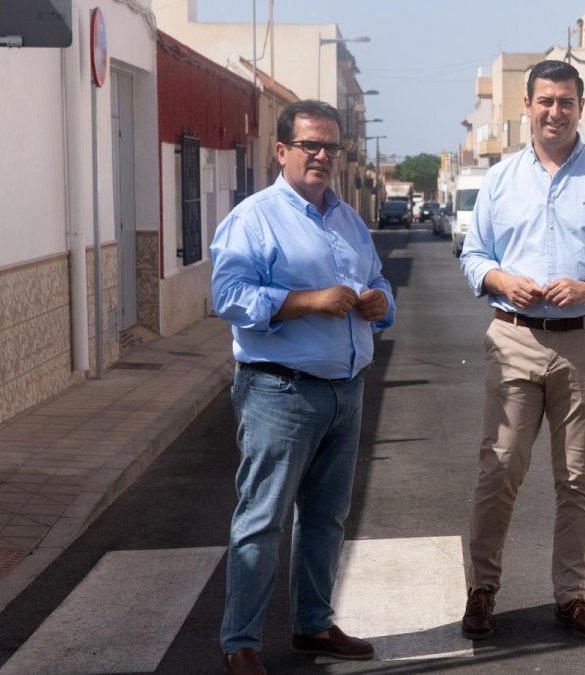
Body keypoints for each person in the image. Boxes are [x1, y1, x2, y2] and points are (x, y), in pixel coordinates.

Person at [458, 59, 585, 642]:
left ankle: (570, 597)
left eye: (565, 102)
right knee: (497, 473)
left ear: (579, 106)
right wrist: (501, 281)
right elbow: (474, 257)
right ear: (527, 106)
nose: (555, 111)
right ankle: (482, 591)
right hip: (514, 338)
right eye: (545, 101)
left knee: (576, 479)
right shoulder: (500, 180)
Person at [210, 99, 395, 675]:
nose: (322, 156)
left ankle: (312, 624)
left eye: (332, 147)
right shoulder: (254, 217)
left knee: (326, 517)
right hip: (279, 392)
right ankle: (240, 643)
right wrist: (308, 301)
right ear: (282, 150)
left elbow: (377, 278)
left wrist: (381, 301)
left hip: (346, 389)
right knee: (261, 519)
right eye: (311, 145)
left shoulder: (347, 219)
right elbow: (229, 297)